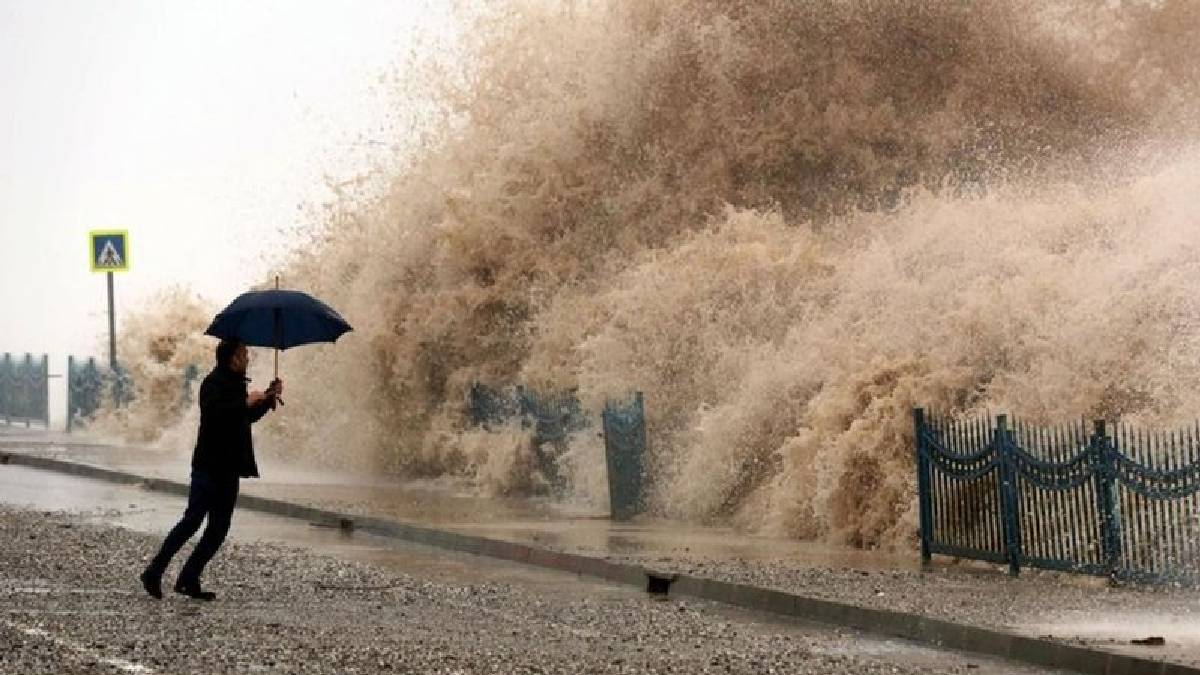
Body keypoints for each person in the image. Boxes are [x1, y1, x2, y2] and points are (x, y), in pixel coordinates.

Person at [139, 338, 281, 601]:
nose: (248, 359)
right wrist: (247, 402)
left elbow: (243, 420)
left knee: (218, 528)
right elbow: (217, 415)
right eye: (244, 354)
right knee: (192, 521)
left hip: (229, 468)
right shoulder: (212, 384)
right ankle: (154, 571)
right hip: (208, 466)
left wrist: (266, 401)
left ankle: (189, 577)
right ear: (233, 358)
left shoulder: (239, 385)